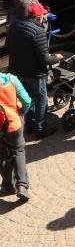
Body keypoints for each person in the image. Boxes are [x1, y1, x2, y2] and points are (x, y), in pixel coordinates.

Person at [7, 3, 62, 138]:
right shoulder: (38, 32)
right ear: (38, 16)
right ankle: (40, 127)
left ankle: (30, 124)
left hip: (18, 70)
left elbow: (8, 45)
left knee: (27, 98)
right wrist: (57, 57)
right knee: (40, 98)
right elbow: (45, 59)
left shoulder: (14, 26)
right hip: (34, 73)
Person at [0, 70, 32, 201]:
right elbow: (27, 101)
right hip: (13, 124)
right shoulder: (11, 79)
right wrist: (21, 114)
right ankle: (22, 186)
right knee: (19, 151)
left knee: (2, 156)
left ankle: (8, 184)